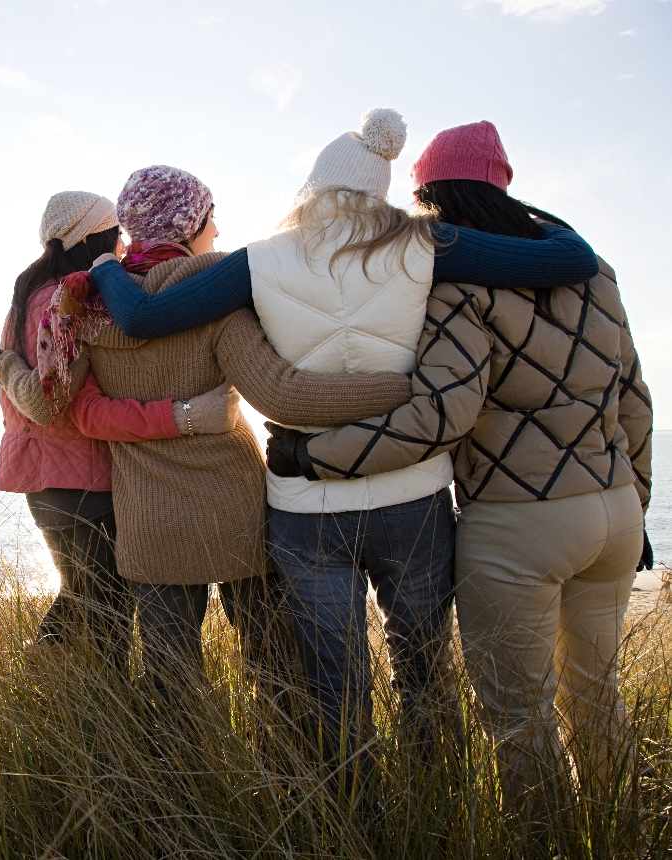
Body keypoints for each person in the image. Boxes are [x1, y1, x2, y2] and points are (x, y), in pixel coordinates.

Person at [84, 109, 603, 782]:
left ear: (312, 187)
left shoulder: (261, 260)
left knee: (334, 685)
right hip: (413, 491)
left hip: (306, 505)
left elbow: (145, 316)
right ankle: (434, 813)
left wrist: (102, 267)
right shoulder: (425, 243)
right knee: (424, 673)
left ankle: (354, 818)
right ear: (379, 191)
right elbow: (571, 260)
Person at [265, 121, 654, 811]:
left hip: (519, 522)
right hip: (615, 513)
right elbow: (634, 400)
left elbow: (440, 416)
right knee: (599, 700)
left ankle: (546, 845)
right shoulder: (595, 271)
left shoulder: (458, 285)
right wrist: (637, 504)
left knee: (521, 720)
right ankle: (628, 831)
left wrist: (312, 454)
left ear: (431, 198)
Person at [0, 166, 418, 718]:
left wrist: (3, 368)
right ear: (188, 227)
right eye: (210, 219)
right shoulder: (216, 300)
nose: (216, 231)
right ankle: (288, 788)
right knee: (275, 669)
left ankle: (176, 795)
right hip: (234, 509)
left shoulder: (88, 308)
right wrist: (401, 388)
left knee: (169, 687)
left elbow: (80, 412)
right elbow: (283, 397)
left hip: (148, 519)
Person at [0, 190, 242, 673]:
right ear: (93, 236)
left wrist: (2, 365)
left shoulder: (23, 298)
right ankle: (95, 721)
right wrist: (7, 367)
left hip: (41, 483)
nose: (120, 246)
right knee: (108, 621)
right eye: (114, 234)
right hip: (86, 481)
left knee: (78, 597)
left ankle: (39, 686)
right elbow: (44, 400)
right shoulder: (71, 299)